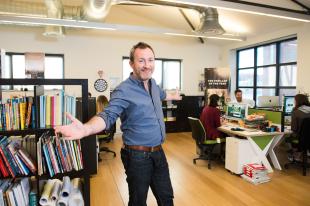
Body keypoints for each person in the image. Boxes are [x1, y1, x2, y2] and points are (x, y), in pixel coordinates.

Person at [54, 42, 181, 206]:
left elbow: (162, 94)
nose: (147, 65)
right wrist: (86, 129)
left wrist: (173, 95)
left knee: (167, 198)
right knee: (137, 202)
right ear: (131, 63)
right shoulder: (124, 90)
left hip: (158, 152)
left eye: (150, 60)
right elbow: (107, 114)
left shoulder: (154, 85)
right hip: (137, 157)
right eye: (141, 61)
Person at [289, 94, 310, 161]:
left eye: (294, 101)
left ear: (297, 101)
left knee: (291, 137)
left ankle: (295, 156)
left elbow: (294, 128)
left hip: (300, 138)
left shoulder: (296, 112)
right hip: (308, 138)